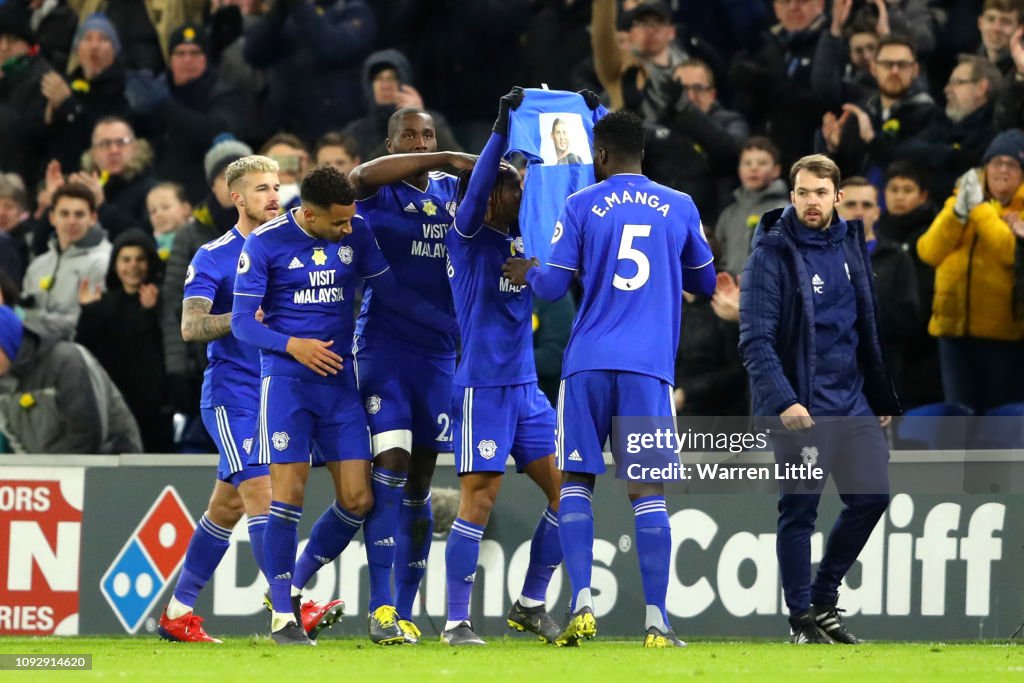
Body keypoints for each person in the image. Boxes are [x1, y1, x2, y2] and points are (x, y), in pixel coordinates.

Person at [504, 110, 716, 648]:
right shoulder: (680, 205)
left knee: (577, 482)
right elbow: (707, 281)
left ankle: (582, 602)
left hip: (587, 363)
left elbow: (552, 289)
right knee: (648, 494)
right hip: (648, 368)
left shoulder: (581, 204)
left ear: (599, 155)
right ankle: (656, 622)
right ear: (642, 153)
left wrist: (528, 269)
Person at [230, 165, 454, 646]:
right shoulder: (265, 243)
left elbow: (390, 293)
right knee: (287, 497)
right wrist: (294, 345)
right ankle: (283, 619)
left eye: (351, 220)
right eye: (339, 223)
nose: (348, 229)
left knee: (359, 499)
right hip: (288, 384)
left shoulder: (358, 229)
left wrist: (453, 326)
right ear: (308, 214)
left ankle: (297, 587)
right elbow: (243, 324)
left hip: (340, 386)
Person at [156, 155, 342, 643]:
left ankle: (177, 613)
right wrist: (242, 317)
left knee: (226, 507)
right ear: (236, 197)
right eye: (260, 189)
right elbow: (191, 326)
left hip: (278, 392)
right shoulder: (212, 256)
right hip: (232, 394)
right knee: (262, 491)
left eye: (276, 186)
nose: (273, 196)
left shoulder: (295, 246)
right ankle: (288, 605)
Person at [738, 154, 899, 644]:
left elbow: (864, 325)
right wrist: (785, 401)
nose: (812, 202)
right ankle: (802, 618)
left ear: (837, 198)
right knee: (800, 513)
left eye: (821, 194)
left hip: (852, 402)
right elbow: (756, 340)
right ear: (792, 196)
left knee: (872, 497)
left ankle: (824, 600)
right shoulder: (770, 253)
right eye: (804, 193)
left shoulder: (851, 244)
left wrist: (881, 392)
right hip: (802, 408)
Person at [438, 87, 563, 647]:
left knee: (570, 494)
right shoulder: (466, 234)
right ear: (489, 194)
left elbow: (563, 183)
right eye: (511, 183)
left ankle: (531, 603)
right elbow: (484, 180)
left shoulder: (528, 239)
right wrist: (499, 128)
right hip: (482, 390)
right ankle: (456, 622)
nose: (521, 189)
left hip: (527, 390)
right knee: (479, 501)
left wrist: (592, 126)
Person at [345, 106, 473, 643]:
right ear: (390, 141)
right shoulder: (378, 189)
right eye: (409, 137)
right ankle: (378, 611)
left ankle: (402, 610)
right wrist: (444, 155)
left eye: (429, 135)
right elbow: (356, 179)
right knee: (390, 473)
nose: (420, 144)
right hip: (385, 348)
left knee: (421, 481)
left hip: (440, 355)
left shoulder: (452, 190)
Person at [917, 129, 1024, 413]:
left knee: (1000, 420)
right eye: (995, 162)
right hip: (952, 332)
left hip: (1003, 335)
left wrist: (978, 210)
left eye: (1011, 164)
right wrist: (958, 213)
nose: (1002, 169)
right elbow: (928, 251)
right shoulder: (960, 202)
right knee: (959, 419)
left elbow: (1010, 252)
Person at [75, 228, 172, 453]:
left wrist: (151, 312)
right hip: (115, 402)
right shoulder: (103, 304)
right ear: (115, 264)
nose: (133, 266)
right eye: (126, 259)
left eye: (140, 259)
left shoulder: (163, 300)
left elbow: (161, 349)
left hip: (153, 407)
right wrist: (88, 311)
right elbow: (86, 351)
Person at [0, 302, 142, 454]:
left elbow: (89, 433)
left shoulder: (67, 360)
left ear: (9, 342)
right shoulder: (3, 382)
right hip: (50, 471)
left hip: (108, 465)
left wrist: (57, 473)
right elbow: (13, 438)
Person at [836, 177, 918, 399]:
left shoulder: (897, 258)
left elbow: (908, 321)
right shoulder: (814, 255)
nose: (859, 211)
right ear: (836, 208)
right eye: (851, 204)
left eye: (867, 205)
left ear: (877, 212)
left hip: (880, 378)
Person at [21, 182, 111, 337]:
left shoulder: (103, 262)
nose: (71, 221)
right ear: (52, 218)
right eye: (64, 214)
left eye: (79, 214)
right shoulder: (37, 265)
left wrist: (32, 321)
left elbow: (83, 322)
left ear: (93, 218)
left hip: (79, 351)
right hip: (35, 346)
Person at [715, 136, 789, 275]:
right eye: (747, 163)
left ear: (776, 170)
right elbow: (719, 257)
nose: (753, 168)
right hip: (729, 290)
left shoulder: (784, 211)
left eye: (762, 163)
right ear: (739, 169)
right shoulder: (728, 214)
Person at [146, 182, 192, 263]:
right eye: (153, 211)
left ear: (185, 208)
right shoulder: (151, 248)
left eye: (165, 207)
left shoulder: (199, 240)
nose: (159, 214)